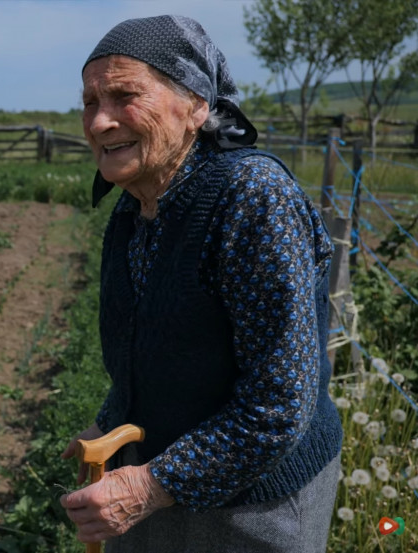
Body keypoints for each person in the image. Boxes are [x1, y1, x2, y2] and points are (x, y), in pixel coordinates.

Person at [58, 15, 343, 553]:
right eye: (91, 102)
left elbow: (280, 401)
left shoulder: (252, 199)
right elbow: (147, 350)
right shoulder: (132, 206)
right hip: (160, 475)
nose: (99, 122)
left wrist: (149, 484)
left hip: (256, 501)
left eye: (125, 96)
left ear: (196, 106)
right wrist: (113, 422)